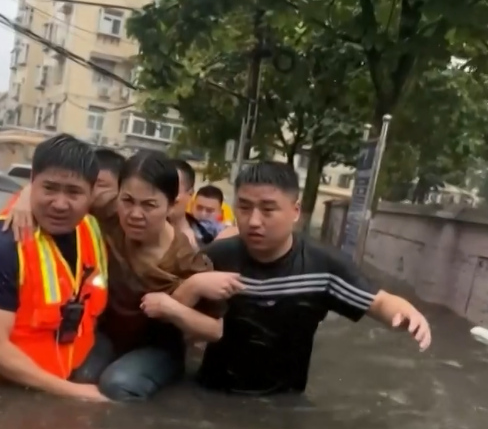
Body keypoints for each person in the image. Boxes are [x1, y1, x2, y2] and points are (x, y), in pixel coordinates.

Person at [174, 161, 432, 396]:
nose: (253, 221)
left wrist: (406, 314)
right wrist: (193, 285)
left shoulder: (322, 268)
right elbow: (166, 317)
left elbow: (378, 302)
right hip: (212, 396)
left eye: (268, 209)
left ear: (295, 211)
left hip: (283, 404)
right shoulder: (215, 258)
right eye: (244, 207)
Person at [0, 134, 110, 401]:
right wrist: (75, 393)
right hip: (10, 395)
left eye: (74, 192)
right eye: (49, 189)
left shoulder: (91, 227)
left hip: (74, 374)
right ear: (32, 183)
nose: (60, 203)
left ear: (92, 194)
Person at [89, 151, 225, 400]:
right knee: (76, 374)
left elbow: (215, 330)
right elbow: (59, 190)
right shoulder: (110, 210)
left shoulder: (186, 259)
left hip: (157, 348)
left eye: (149, 205)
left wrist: (172, 307)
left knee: (118, 385)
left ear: (172, 206)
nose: (135, 214)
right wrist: (23, 200)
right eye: (127, 200)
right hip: (108, 335)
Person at [170, 159, 222, 247]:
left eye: (173, 189)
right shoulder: (143, 231)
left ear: (190, 194)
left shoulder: (207, 235)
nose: (165, 195)